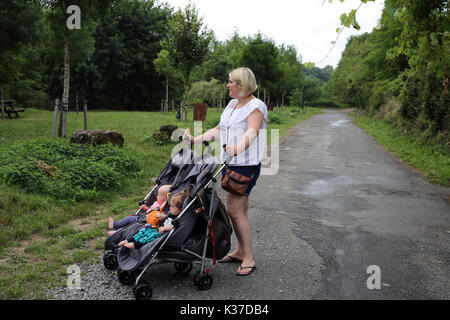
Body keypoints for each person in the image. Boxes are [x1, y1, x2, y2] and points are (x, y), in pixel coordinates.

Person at [183, 67, 267, 276]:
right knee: (241, 211)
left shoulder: (256, 106)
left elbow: (252, 131)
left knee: (235, 211)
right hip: (230, 163)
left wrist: (237, 148)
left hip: (245, 164)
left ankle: (248, 257)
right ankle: (240, 251)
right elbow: (219, 130)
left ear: (242, 85)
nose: (227, 85)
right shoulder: (232, 105)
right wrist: (195, 139)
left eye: (231, 82)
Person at [118, 187, 191, 250]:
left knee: (151, 236)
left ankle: (136, 245)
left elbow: (174, 226)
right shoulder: (172, 213)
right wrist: (163, 217)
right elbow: (167, 218)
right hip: (158, 229)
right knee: (144, 230)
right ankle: (130, 240)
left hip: (164, 234)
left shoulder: (178, 218)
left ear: (181, 210)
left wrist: (165, 228)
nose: (170, 208)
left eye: (173, 207)